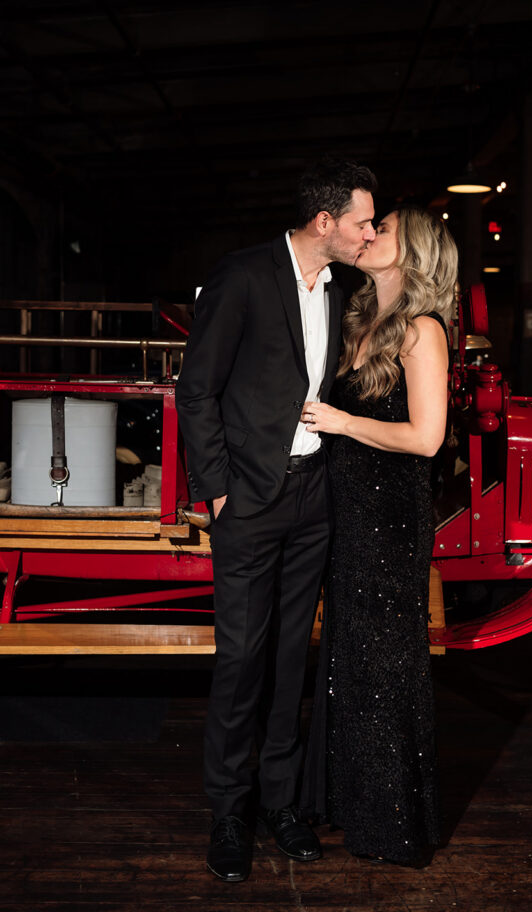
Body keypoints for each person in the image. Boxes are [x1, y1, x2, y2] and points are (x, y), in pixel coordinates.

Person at [175, 157, 377, 883]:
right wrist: (219, 490)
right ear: (325, 221)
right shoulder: (243, 275)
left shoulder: (341, 287)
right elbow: (195, 388)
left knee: (293, 658)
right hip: (250, 501)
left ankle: (281, 805)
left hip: (312, 497)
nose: (368, 232)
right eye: (362, 221)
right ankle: (228, 811)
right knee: (241, 662)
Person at [300, 205, 458, 866]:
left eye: (381, 228)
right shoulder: (357, 320)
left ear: (412, 250)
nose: (367, 235)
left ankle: (391, 822)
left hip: (389, 520)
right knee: (346, 660)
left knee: (383, 665)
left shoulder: (422, 331)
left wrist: (338, 422)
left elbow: (425, 439)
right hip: (345, 512)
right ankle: (345, 802)